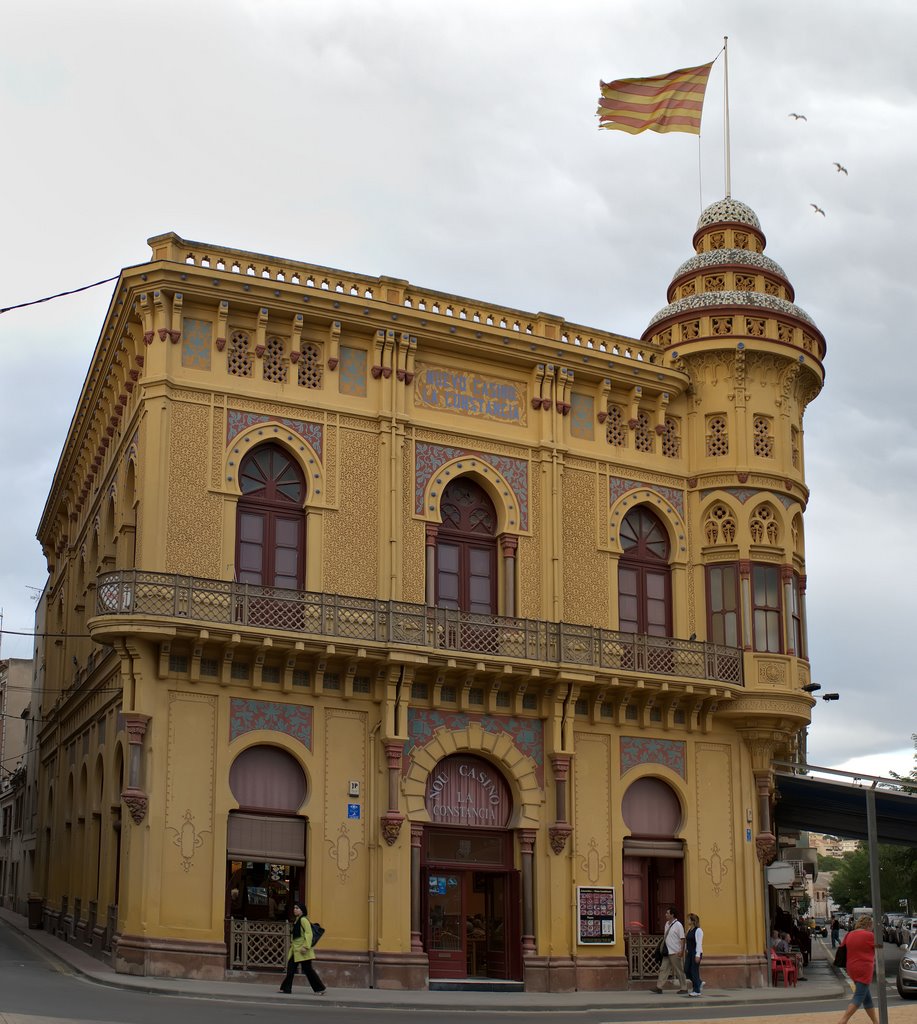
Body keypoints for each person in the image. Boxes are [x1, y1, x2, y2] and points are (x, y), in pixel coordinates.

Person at [835, 915, 878, 1024]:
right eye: (871, 926)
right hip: (864, 967)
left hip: (851, 968)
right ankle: (843, 1020)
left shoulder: (849, 934)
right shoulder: (869, 935)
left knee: (866, 997)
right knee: (859, 996)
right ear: (868, 925)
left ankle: (876, 1022)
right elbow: (879, 947)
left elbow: (842, 947)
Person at [278, 902, 326, 995]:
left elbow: (309, 934)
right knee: (291, 969)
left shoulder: (303, 920)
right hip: (296, 950)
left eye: (297, 908)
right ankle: (286, 989)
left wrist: (306, 947)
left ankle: (319, 988)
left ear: (302, 910)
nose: (295, 909)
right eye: (294, 908)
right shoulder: (297, 920)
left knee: (308, 970)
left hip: (302, 950)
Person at [652, 905, 687, 994]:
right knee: (663, 969)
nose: (665, 915)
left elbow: (682, 938)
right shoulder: (666, 924)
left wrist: (681, 951)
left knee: (679, 970)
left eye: (667, 913)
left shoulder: (678, 925)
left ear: (672, 915)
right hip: (667, 951)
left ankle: (684, 987)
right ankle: (659, 987)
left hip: (675, 951)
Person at [684, 912, 704, 996]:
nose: (687, 920)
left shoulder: (698, 930)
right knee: (686, 970)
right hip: (689, 953)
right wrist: (686, 949)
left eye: (688, 919)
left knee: (694, 971)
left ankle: (696, 990)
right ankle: (698, 982)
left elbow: (699, 943)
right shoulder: (689, 930)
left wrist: (697, 955)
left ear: (693, 921)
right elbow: (687, 941)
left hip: (696, 952)